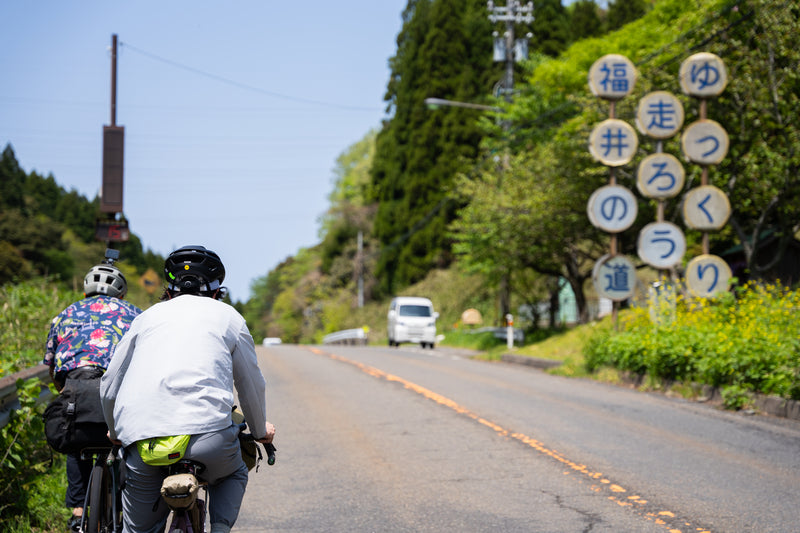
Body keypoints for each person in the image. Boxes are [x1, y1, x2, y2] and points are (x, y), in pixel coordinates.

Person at [100, 245, 275, 533]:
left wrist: (116, 432)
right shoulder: (229, 317)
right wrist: (259, 432)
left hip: (146, 444)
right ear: (218, 291)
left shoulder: (145, 319)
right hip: (210, 440)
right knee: (233, 474)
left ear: (168, 291)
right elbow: (251, 385)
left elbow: (109, 385)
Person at [43, 255, 142, 532]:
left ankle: (77, 512)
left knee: (76, 438)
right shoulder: (135, 314)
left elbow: (50, 365)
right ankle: (129, 508)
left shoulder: (66, 313)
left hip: (77, 383)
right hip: (120, 389)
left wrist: (65, 391)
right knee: (126, 444)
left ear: (85, 291)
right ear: (121, 293)